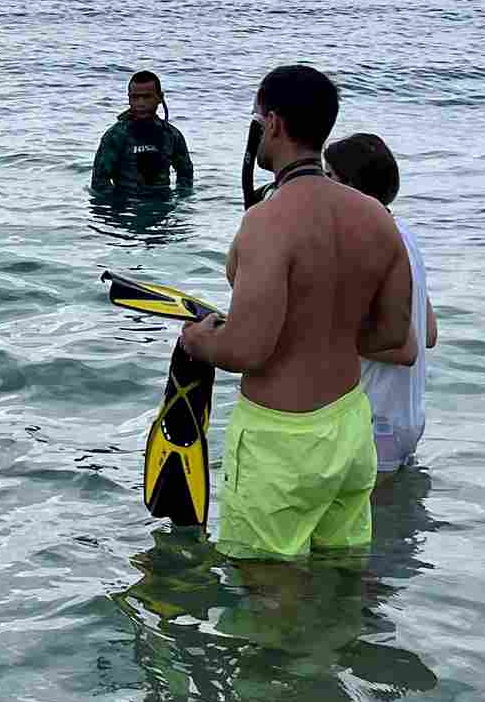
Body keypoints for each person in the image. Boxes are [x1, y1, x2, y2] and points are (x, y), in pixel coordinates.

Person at [176, 65, 412, 562]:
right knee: (340, 579)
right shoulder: (377, 218)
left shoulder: (268, 221)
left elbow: (245, 350)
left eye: (257, 116)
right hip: (350, 428)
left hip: (281, 439)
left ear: (275, 123)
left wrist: (197, 341)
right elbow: (393, 335)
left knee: (267, 596)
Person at [324, 133, 437, 477]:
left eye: (330, 178)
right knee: (390, 526)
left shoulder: (366, 244)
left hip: (374, 419)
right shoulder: (403, 234)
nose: (322, 188)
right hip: (406, 417)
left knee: (362, 527)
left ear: (353, 189)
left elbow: (405, 348)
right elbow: (429, 331)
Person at [90, 70, 193, 192]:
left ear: (160, 97)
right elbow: (99, 182)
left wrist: (178, 201)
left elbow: (185, 173)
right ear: (129, 99)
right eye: (135, 97)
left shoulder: (171, 135)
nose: (141, 103)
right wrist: (118, 206)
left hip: (162, 203)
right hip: (127, 204)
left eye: (147, 97)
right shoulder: (115, 135)